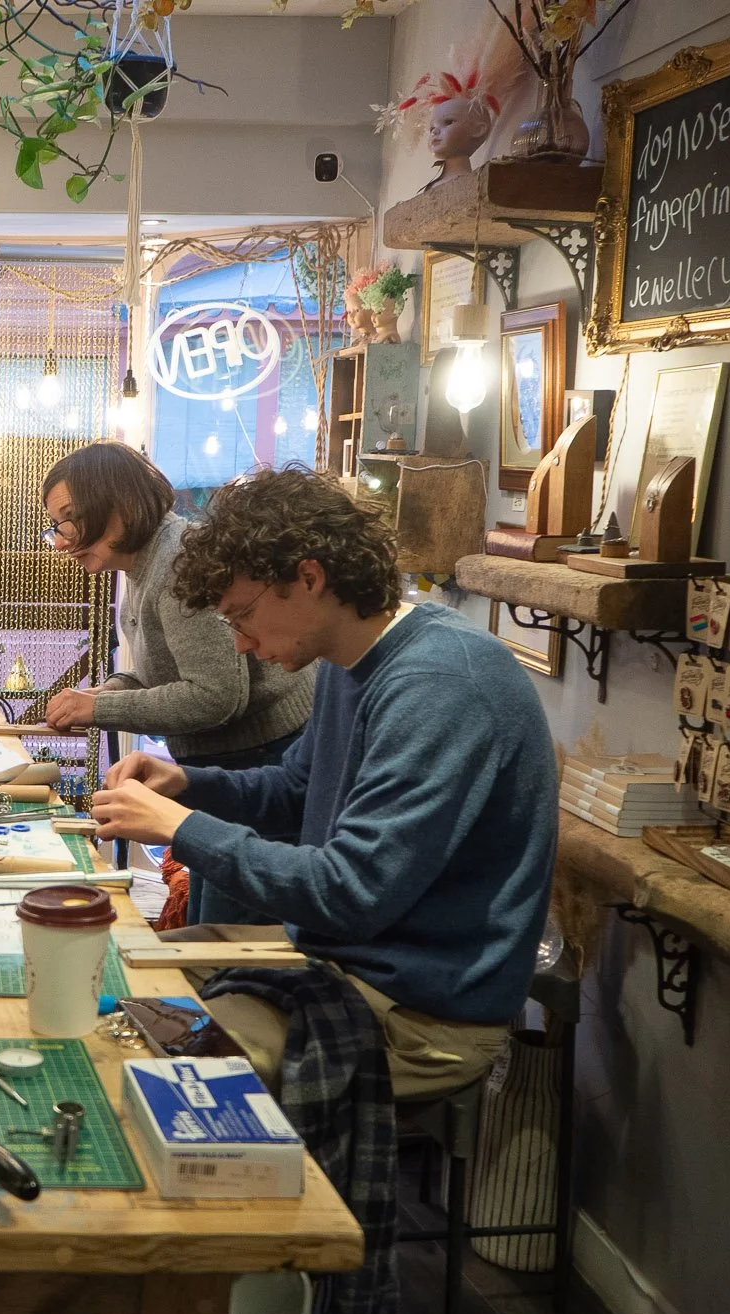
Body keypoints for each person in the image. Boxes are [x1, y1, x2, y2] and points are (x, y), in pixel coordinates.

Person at [88, 465, 558, 1095]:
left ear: (308, 577)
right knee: (112, 974)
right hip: (340, 957)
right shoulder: (348, 659)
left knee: (132, 1067)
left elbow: (351, 892)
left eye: (243, 616)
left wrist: (182, 828)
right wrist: (186, 783)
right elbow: (293, 791)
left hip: (417, 1008)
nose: (240, 645)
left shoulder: (439, 686)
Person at [41, 443, 312, 925]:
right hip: (226, 768)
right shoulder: (144, 562)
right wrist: (103, 692)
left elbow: (216, 696)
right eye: (56, 526)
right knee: (206, 930)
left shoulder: (177, 561)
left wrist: (99, 710)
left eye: (68, 520)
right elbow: (154, 671)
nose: (60, 541)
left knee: (224, 943)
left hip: (260, 767)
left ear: (119, 508)